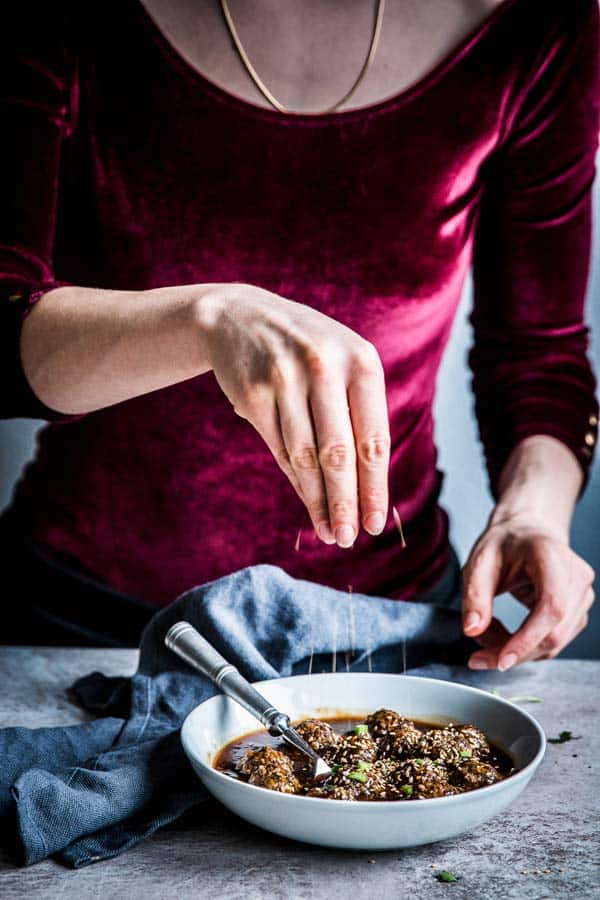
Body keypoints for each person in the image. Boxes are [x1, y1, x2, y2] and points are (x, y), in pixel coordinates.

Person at [1, 0, 597, 663]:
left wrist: (532, 511)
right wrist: (208, 320)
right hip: (82, 616)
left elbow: (539, 357)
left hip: (383, 624)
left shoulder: (537, 24)